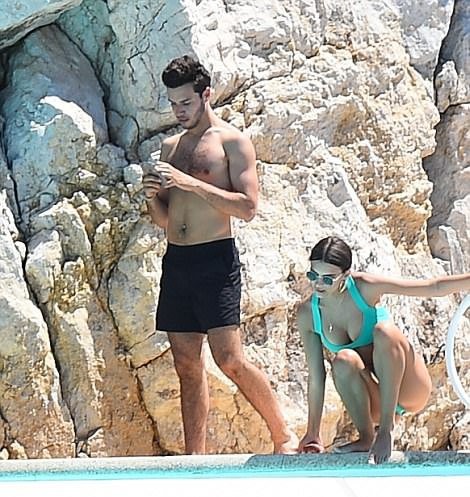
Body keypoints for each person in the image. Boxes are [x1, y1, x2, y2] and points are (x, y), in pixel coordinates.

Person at [142, 55, 297, 455]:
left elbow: (247, 208)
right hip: (177, 262)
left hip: (215, 259)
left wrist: (190, 184)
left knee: (229, 359)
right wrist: (151, 197)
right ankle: (194, 456)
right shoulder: (170, 147)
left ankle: (283, 436)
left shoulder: (232, 142)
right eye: (173, 104)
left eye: (186, 102)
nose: (179, 111)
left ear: (206, 94)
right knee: (186, 365)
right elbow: (165, 219)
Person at [297, 235, 470, 464]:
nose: (319, 284)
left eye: (328, 279)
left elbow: (433, 286)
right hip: (374, 400)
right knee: (343, 359)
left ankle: (386, 429)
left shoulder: (364, 287)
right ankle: (366, 437)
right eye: (313, 276)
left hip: (409, 390)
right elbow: (316, 378)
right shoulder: (308, 313)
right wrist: (312, 433)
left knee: (384, 331)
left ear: (346, 275)